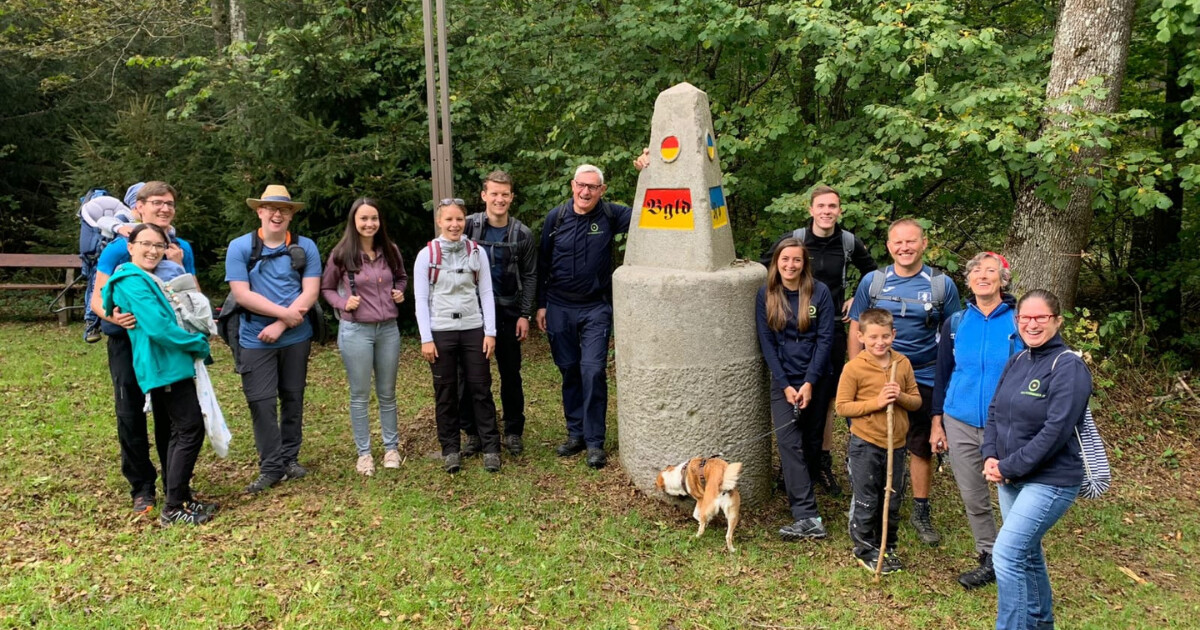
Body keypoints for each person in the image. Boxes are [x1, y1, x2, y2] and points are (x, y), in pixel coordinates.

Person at [848, 218, 961, 545]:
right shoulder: (873, 282)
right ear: (889, 246)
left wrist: (950, 376)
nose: (905, 248)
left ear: (924, 244)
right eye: (898, 242)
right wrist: (856, 370)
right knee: (873, 437)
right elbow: (856, 326)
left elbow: (952, 332)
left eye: (911, 241)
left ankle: (920, 510)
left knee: (921, 444)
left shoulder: (942, 285)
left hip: (924, 373)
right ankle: (869, 502)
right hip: (877, 374)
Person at [982, 289, 1090, 629]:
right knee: (1026, 553)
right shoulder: (1017, 361)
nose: (1032, 324)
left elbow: (1056, 430)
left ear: (1057, 320)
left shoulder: (1068, 366)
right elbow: (995, 411)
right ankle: (1042, 624)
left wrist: (1008, 466)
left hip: (1051, 480)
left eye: (1041, 317)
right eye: (1025, 317)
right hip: (1010, 477)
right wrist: (990, 455)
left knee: (1007, 554)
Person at [90, 181, 198, 515]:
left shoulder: (181, 247)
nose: (164, 208)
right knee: (130, 412)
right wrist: (114, 317)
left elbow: (194, 296)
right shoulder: (118, 249)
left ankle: (174, 483)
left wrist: (180, 265)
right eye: (157, 203)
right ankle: (142, 487)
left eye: (170, 204)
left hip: (168, 343)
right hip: (127, 341)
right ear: (139, 207)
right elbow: (97, 299)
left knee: (171, 415)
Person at [762, 185, 876, 495]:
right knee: (790, 393)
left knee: (824, 399)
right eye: (821, 206)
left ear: (840, 210)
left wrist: (856, 298)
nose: (827, 212)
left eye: (832, 206)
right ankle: (793, 465)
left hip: (831, 329)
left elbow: (872, 274)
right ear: (811, 210)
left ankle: (820, 462)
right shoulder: (796, 241)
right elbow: (764, 266)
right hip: (793, 327)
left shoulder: (848, 242)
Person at [101, 223, 216, 525]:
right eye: (146, 244)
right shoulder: (130, 280)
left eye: (159, 245)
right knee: (189, 428)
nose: (152, 250)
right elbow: (158, 327)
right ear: (131, 247)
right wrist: (197, 343)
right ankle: (173, 507)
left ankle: (181, 497)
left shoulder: (144, 277)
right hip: (162, 363)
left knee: (181, 429)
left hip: (170, 360)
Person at [931, 252, 1021, 589]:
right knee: (973, 495)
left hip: (1009, 424)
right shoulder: (955, 323)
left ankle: (1017, 556)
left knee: (1014, 496)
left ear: (1003, 279)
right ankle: (989, 556)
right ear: (968, 280)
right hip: (960, 420)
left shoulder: (1020, 321)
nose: (982, 276)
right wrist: (937, 422)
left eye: (990, 271)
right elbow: (943, 373)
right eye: (976, 271)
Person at [535, 164, 633, 469]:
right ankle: (575, 434)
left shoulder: (611, 215)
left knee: (592, 371)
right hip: (559, 306)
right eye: (581, 185)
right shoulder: (556, 217)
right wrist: (541, 305)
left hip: (595, 308)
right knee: (569, 370)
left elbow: (650, 211)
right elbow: (542, 262)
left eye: (592, 187)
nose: (585, 192)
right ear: (572, 185)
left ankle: (594, 442)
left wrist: (650, 167)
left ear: (602, 190)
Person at [225, 184, 321, 493]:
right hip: (254, 337)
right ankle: (271, 467)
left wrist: (281, 324)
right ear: (260, 211)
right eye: (271, 209)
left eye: (284, 209)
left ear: (291, 215)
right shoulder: (240, 247)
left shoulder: (306, 247)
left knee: (293, 397)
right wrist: (283, 315)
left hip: (295, 335)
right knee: (261, 402)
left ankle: (289, 459)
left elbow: (310, 291)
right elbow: (241, 294)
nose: (277, 214)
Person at [756, 238, 836, 540]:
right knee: (789, 442)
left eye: (797, 260)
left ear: (804, 264)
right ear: (776, 262)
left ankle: (805, 485)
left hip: (816, 377)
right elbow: (766, 342)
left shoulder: (819, 292)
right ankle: (807, 516)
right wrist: (785, 385)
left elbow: (825, 339)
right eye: (785, 259)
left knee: (811, 440)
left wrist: (809, 382)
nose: (790, 265)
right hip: (784, 380)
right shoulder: (766, 294)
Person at [321, 198, 408, 476]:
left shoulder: (390, 250)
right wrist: (342, 303)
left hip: (388, 330)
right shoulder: (342, 253)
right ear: (354, 221)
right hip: (356, 330)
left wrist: (400, 292)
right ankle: (364, 454)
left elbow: (401, 277)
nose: (369, 224)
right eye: (364, 219)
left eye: (374, 218)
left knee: (387, 393)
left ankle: (391, 448)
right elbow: (326, 288)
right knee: (360, 394)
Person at [414, 199, 501, 473]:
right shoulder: (426, 255)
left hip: (473, 328)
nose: (454, 225)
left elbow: (486, 292)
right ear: (439, 221)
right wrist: (426, 338)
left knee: (480, 388)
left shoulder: (476, 252)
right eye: (449, 220)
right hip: (441, 331)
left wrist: (490, 332)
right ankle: (450, 449)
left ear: (466, 221)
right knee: (446, 392)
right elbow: (421, 299)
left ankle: (491, 447)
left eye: (459, 219)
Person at [836, 308, 922, 574]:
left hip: (896, 445)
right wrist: (877, 402)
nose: (879, 342)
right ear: (861, 337)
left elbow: (916, 401)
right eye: (873, 337)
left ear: (893, 334)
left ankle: (887, 545)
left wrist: (900, 397)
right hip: (866, 444)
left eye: (885, 336)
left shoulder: (902, 364)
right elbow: (842, 407)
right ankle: (864, 549)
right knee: (868, 498)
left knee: (892, 498)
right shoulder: (854, 368)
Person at [458, 171, 537, 458]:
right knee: (468, 375)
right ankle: (474, 432)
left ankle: (513, 431)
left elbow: (530, 276)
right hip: (472, 314)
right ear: (484, 196)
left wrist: (525, 314)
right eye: (494, 193)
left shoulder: (522, 234)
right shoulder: (468, 227)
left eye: (505, 194)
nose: (499, 199)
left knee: (510, 374)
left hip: (508, 313)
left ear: (512, 197)